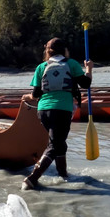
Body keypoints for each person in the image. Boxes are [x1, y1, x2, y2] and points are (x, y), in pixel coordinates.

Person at [21, 37, 93, 190]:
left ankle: (63, 174)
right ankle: (32, 178)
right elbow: (86, 84)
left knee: (59, 142)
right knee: (54, 145)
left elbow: (35, 94)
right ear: (64, 50)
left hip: (43, 111)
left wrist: (27, 96)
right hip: (62, 109)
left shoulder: (41, 67)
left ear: (47, 51)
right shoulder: (71, 64)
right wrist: (89, 69)